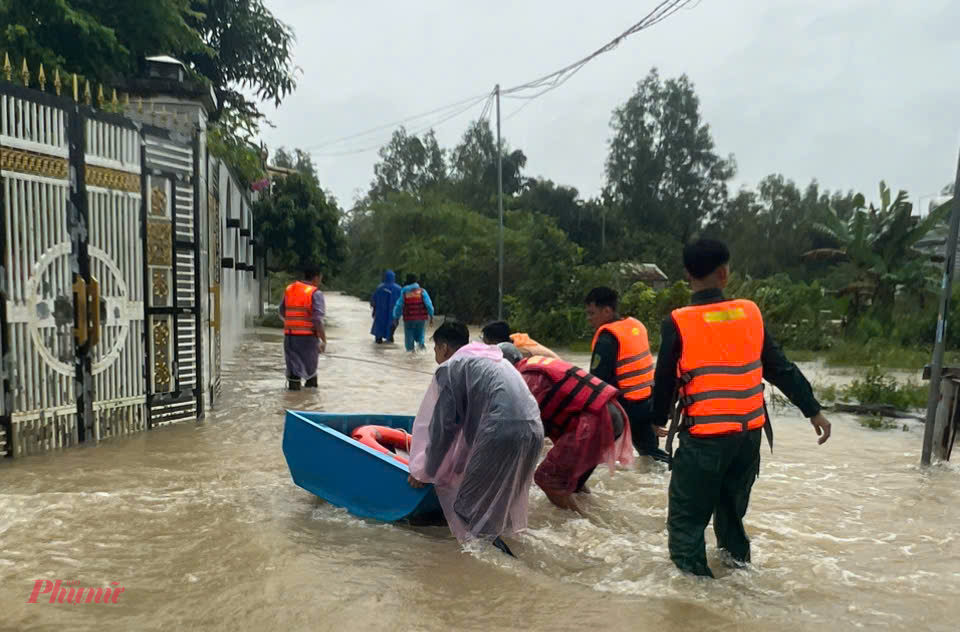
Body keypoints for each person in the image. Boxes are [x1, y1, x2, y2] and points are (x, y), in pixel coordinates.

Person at [650, 238, 832, 577]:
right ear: (724, 273)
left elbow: (664, 381)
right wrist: (813, 410)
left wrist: (656, 420)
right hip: (747, 439)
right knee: (731, 516)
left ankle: (697, 601)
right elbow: (780, 368)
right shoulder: (749, 313)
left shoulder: (677, 321)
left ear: (687, 274)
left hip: (704, 440)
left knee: (687, 523)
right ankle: (739, 581)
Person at [407, 321, 544, 555]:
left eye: (435, 351)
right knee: (500, 508)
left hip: (502, 431)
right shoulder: (493, 359)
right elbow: (466, 436)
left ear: (443, 347)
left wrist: (424, 472)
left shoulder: (452, 367)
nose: (436, 357)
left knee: (467, 509)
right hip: (534, 431)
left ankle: (505, 568)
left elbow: (444, 429)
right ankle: (516, 559)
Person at [508, 353, 634, 511]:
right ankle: (597, 518)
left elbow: (526, 432)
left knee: (547, 479)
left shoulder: (523, 379)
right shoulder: (536, 364)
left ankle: (586, 524)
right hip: (612, 414)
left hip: (594, 423)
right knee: (572, 483)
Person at [585, 287, 668, 461]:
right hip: (647, 403)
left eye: (592, 313)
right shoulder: (636, 326)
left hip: (622, 408)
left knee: (594, 454)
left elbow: (597, 383)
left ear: (607, 311)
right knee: (651, 455)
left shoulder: (607, 338)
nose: (589, 319)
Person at [279, 265, 326, 390]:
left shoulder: (290, 289)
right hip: (307, 339)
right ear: (316, 278)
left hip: (289, 337)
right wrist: (323, 340)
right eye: (320, 278)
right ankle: (310, 404)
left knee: (293, 370)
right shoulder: (315, 293)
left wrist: (293, 323)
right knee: (310, 372)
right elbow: (317, 319)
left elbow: (282, 311)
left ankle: (293, 400)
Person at [393, 274, 434, 352]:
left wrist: (396, 317)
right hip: (421, 319)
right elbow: (428, 304)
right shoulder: (422, 291)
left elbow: (399, 305)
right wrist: (431, 315)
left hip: (409, 319)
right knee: (421, 336)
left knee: (409, 339)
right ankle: (421, 350)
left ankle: (410, 355)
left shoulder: (404, 292)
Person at [480, 320, 560, 359]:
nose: (483, 344)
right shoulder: (513, 339)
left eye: (485, 340)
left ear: (495, 341)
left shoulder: (519, 352)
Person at [370, 269, 402, 344]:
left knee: (378, 336)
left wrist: (374, 311)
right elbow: (402, 303)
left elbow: (373, 301)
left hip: (380, 315)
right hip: (393, 315)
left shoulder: (379, 288)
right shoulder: (399, 289)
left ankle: (379, 351)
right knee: (390, 336)